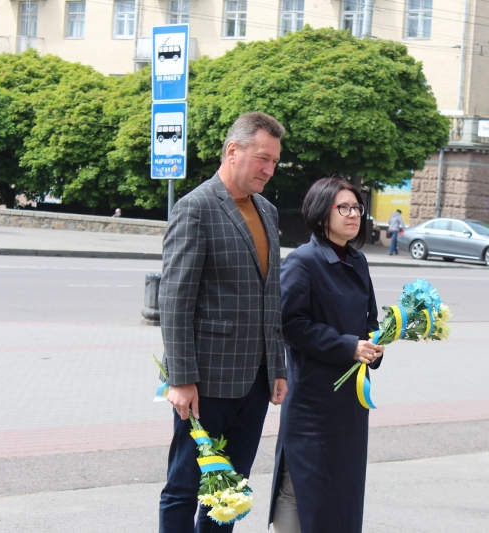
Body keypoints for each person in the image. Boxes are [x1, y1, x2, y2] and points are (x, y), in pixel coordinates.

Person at [158, 112, 289, 533]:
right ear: (233, 151)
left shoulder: (267, 211)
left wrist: (278, 367)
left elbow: (272, 298)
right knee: (184, 487)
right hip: (206, 384)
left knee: (228, 493)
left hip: (255, 384)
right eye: (262, 159)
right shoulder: (195, 208)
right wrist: (181, 379)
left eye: (274, 162)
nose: (269, 170)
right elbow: (174, 300)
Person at [269, 177, 385, 533]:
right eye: (343, 208)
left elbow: (369, 319)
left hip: (351, 401)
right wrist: (348, 346)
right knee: (302, 486)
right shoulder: (302, 262)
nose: (354, 215)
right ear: (322, 215)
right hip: (313, 400)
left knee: (344, 488)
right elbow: (291, 324)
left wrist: (375, 344)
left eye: (357, 208)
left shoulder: (358, 261)